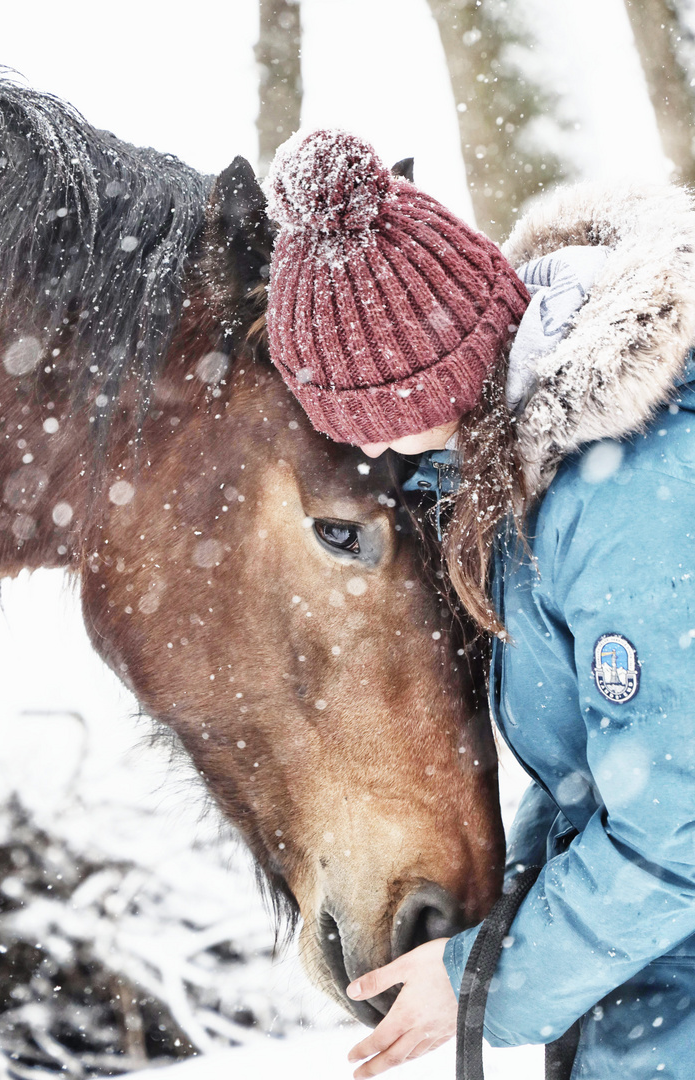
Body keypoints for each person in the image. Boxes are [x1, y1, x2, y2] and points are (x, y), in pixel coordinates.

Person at [264, 129, 695, 1080]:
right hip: (647, 970)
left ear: (433, 379)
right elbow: (593, 784)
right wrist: (502, 933)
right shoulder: (525, 469)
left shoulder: (631, 493)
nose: (380, 452)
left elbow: (681, 828)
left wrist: (483, 982)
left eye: (373, 417)